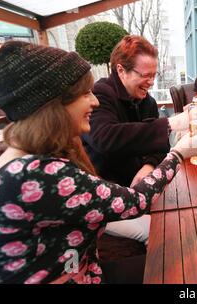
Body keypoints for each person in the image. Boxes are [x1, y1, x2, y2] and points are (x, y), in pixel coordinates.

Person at [0, 41, 197, 284]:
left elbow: (154, 144)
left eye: (154, 75)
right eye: (84, 94)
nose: (94, 101)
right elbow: (133, 196)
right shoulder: (36, 174)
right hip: (91, 259)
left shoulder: (26, 157)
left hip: (87, 262)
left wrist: (150, 164)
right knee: (174, 251)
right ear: (55, 105)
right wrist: (178, 152)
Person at [81, 35, 189, 243]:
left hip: (140, 188)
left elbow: (160, 144)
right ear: (121, 70)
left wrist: (148, 165)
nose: (151, 82)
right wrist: (170, 124)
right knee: (162, 234)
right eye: (145, 75)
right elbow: (105, 138)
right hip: (105, 195)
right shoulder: (100, 94)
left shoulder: (147, 101)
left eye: (154, 75)